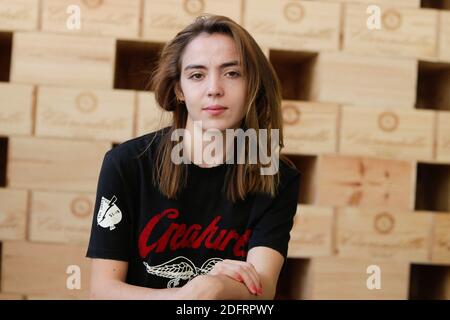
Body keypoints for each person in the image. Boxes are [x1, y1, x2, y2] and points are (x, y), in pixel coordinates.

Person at [86, 14, 301, 300]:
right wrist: (191, 294)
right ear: (179, 89)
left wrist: (216, 286)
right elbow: (103, 291)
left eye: (232, 73)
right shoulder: (126, 164)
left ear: (253, 84)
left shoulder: (274, 175)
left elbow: (262, 289)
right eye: (197, 75)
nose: (214, 89)